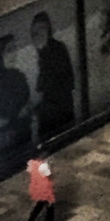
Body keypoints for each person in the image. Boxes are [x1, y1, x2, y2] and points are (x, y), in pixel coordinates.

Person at [30, 12, 75, 140]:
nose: (39, 34)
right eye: (36, 32)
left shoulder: (55, 50)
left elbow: (58, 82)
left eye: (42, 29)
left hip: (58, 110)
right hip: (55, 109)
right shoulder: (44, 52)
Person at [0, 35, 31, 153]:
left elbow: (26, 107)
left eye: (15, 49)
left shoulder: (19, 77)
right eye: (9, 50)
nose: (14, 54)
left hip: (23, 138)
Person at [22, 149, 56, 221]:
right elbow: (49, 176)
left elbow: (29, 171)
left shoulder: (31, 163)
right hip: (45, 189)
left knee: (38, 206)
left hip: (36, 188)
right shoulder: (44, 166)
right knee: (50, 207)